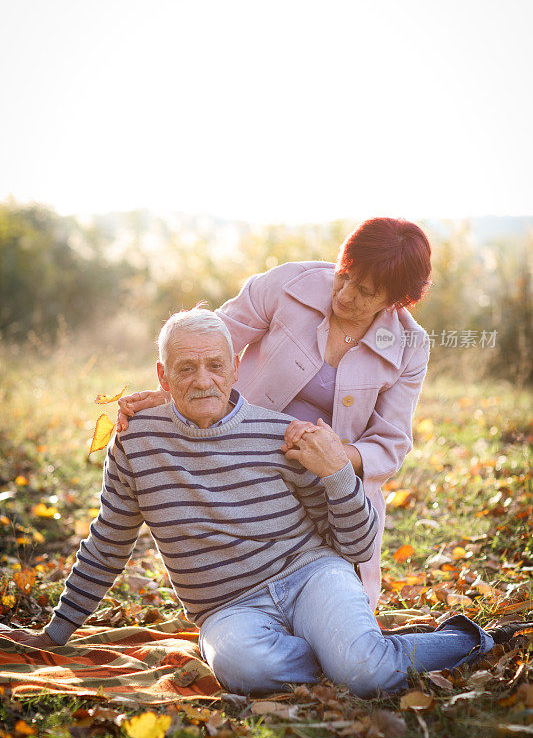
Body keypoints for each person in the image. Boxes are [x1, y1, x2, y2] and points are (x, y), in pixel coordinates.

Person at [0, 310, 503, 697]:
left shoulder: (279, 435)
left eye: (216, 365)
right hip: (227, 606)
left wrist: (336, 478)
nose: (203, 380)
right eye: (186, 368)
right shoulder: (136, 442)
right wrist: (59, 629)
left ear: (236, 366)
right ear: (163, 374)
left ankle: (465, 640)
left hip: (310, 575)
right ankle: (343, 655)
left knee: (366, 674)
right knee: (242, 669)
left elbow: (356, 544)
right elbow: (109, 539)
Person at [117, 217, 432, 611]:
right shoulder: (288, 285)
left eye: (365, 292)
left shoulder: (408, 345)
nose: (346, 294)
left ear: (395, 300)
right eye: (344, 276)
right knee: (244, 584)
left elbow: (390, 443)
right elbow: (207, 344)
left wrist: (333, 455)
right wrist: (168, 395)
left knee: (342, 608)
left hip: (328, 480)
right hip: (240, 460)